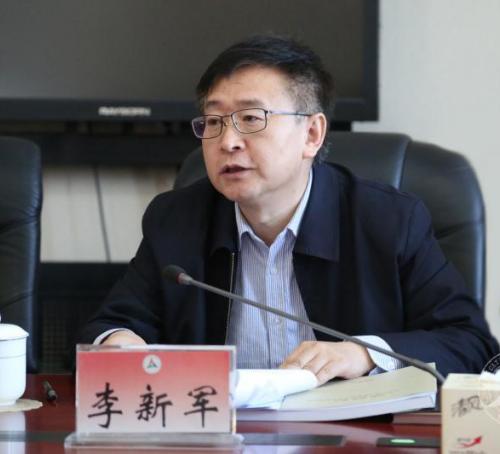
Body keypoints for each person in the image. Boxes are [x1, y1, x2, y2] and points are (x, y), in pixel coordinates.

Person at [80, 34, 498, 384]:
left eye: (251, 118)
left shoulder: (388, 221)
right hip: (226, 437)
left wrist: (365, 354)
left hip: (352, 438)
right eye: (214, 122)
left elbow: (471, 345)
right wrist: (119, 342)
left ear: (312, 134)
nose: (228, 142)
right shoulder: (176, 220)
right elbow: (113, 324)